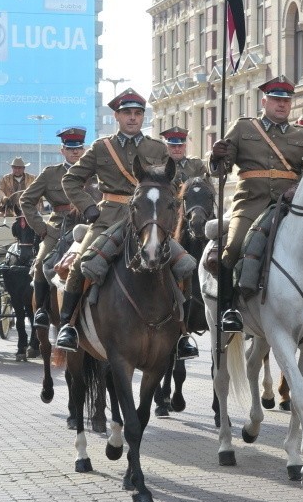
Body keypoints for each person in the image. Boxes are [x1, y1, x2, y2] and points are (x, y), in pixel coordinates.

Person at [55, 88, 198, 358]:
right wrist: (88, 208)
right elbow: (71, 180)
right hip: (108, 216)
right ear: (117, 116)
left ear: (143, 116)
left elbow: (173, 185)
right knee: (81, 262)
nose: (133, 118)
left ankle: (183, 333)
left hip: (148, 220)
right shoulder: (100, 147)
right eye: (127, 113)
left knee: (185, 265)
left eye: (137, 113)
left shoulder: (157, 148)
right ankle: (68, 327)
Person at [209, 76, 303, 332]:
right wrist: (216, 157)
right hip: (251, 204)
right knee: (233, 247)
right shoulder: (244, 129)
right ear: (264, 101)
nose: (282, 105)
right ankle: (229, 308)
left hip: (290, 206)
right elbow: (221, 171)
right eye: (277, 100)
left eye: (286, 101)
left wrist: (296, 189)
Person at [20, 126, 87, 329]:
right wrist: (42, 228)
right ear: (63, 150)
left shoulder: (94, 174)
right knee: (41, 262)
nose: (75, 151)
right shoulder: (50, 174)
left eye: (79, 148)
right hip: (58, 227)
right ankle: (40, 310)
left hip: (89, 225)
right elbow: (26, 200)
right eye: (70, 148)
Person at [160, 126, 207, 191]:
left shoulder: (196, 165)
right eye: (173, 146)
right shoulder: (160, 166)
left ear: (185, 147)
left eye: (180, 146)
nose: (177, 149)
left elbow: (208, 189)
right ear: (167, 147)